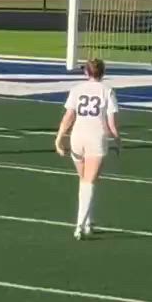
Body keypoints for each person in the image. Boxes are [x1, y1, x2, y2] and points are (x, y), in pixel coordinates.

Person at [55, 58, 120, 240]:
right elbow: (112, 124)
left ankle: (88, 222)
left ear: (87, 73)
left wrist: (59, 137)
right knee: (89, 182)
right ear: (103, 73)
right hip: (95, 137)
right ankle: (80, 224)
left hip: (78, 137)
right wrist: (117, 141)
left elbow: (69, 116)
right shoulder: (107, 91)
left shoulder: (76, 90)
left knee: (83, 180)